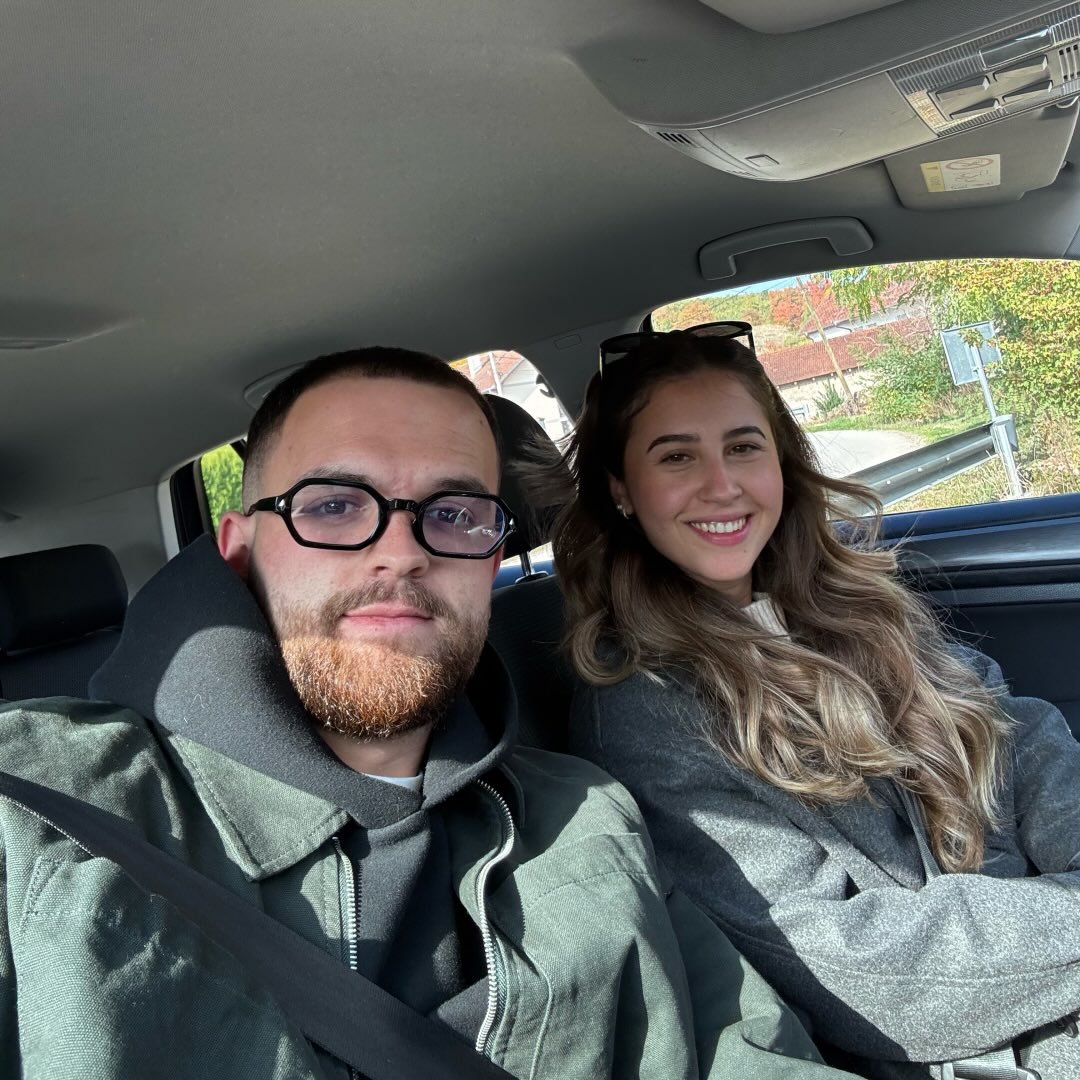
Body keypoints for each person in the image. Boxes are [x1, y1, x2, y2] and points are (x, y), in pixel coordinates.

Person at [0, 346, 853, 1080]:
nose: (401, 551)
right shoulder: (39, 816)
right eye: (334, 505)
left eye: (453, 513)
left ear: (492, 553)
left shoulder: (588, 819)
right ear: (239, 551)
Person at [549, 322, 1080, 1080]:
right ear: (621, 490)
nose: (722, 485)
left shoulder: (850, 602)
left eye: (743, 446)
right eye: (676, 456)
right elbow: (850, 965)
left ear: (781, 462)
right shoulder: (641, 707)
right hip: (982, 1046)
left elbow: (1013, 733)